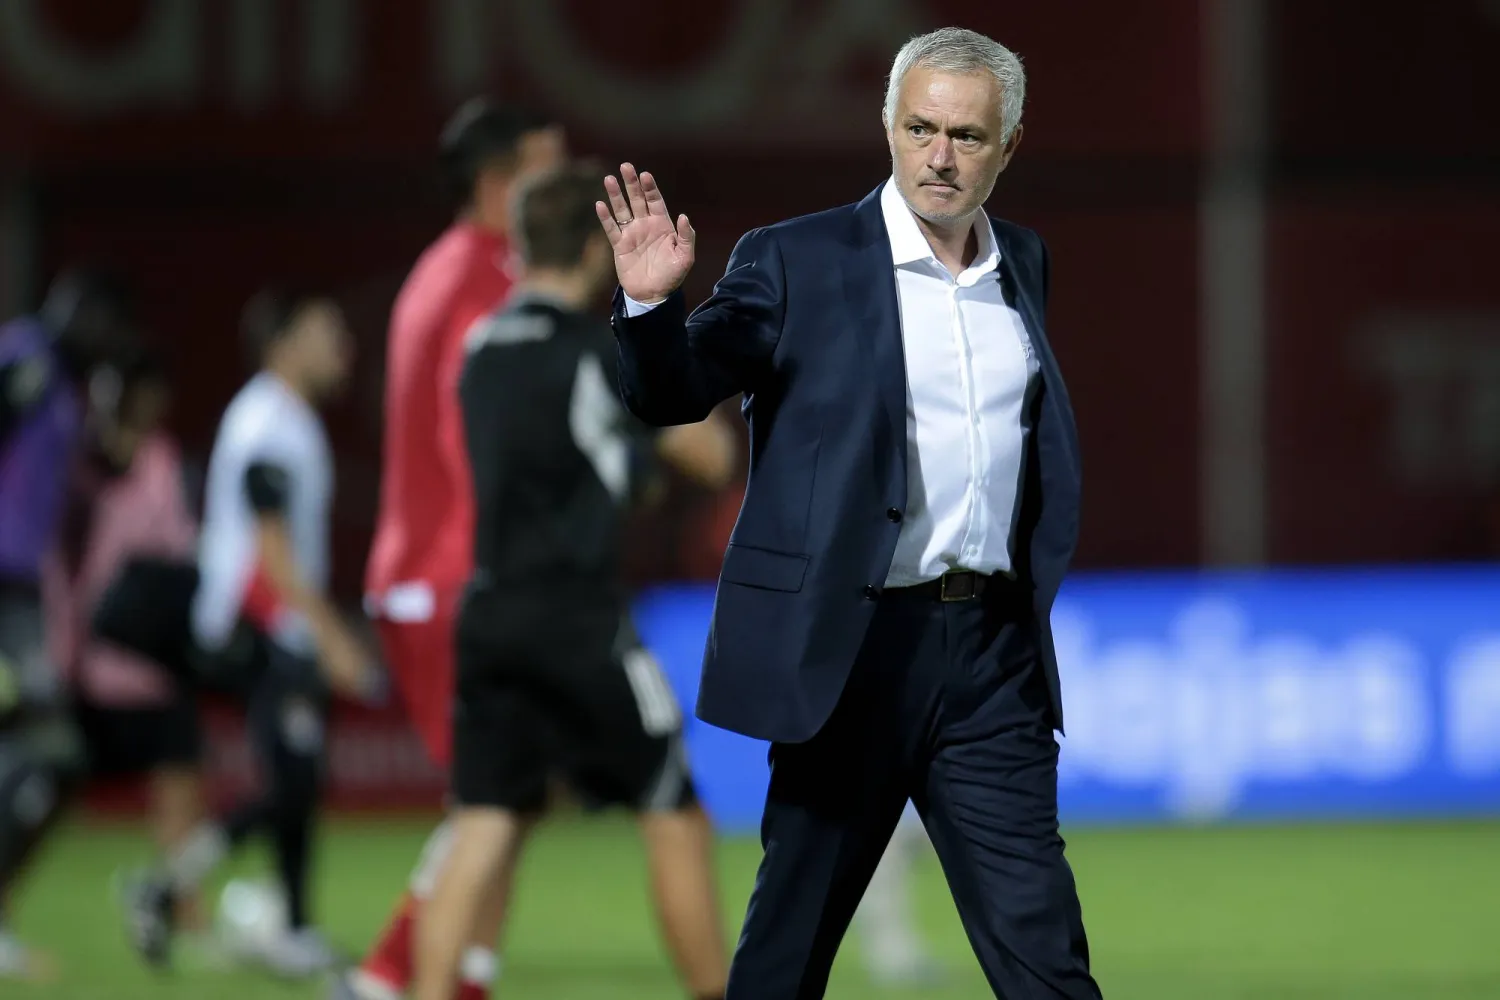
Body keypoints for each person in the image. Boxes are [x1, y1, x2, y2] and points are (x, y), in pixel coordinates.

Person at [598, 25, 1101, 1000]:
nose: (939, 156)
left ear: (1010, 144)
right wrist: (651, 309)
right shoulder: (798, 259)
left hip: (992, 657)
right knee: (787, 954)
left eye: (965, 135)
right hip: (854, 648)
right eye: (920, 129)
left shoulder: (1023, 263)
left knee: (1045, 952)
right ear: (888, 126)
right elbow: (677, 392)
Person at [411, 163, 735, 1000]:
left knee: (480, 823)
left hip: (490, 609)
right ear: (596, 250)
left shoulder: (479, 349)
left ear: (518, 248)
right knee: (673, 812)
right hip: (578, 617)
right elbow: (707, 453)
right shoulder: (591, 350)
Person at [338, 98, 564, 1000]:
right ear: (499, 180)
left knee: (512, 793)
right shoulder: (472, 280)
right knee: (494, 798)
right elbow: (480, 437)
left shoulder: (482, 269)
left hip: (455, 573)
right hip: (452, 577)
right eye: (552, 169)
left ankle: (459, 977)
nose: (572, 188)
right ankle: (389, 977)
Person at [124, 288, 377, 977]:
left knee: (298, 778)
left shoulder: (284, 418)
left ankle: (289, 925)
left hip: (275, 625)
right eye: (327, 333)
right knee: (293, 779)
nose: (343, 350)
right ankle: (166, 885)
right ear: (284, 343)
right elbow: (269, 556)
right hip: (259, 627)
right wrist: (332, 640)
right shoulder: (270, 423)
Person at [40, 349, 207, 928]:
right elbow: (57, 571)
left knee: (180, 782)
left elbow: (183, 549)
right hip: (90, 661)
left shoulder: (164, 462)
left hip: (155, 659)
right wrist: (61, 653)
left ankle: (186, 910)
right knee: (46, 787)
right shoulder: (75, 472)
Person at [0, 267, 132, 980]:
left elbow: (95, 480)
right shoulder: (21, 355)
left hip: (22, 595)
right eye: (102, 324)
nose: (105, 340)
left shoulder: (66, 389)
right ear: (75, 308)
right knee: (41, 751)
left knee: (44, 758)